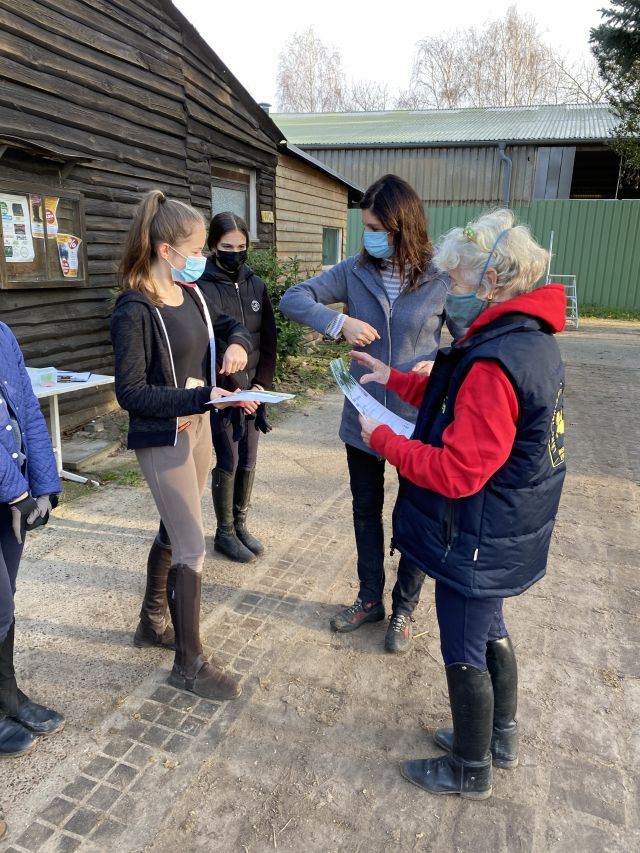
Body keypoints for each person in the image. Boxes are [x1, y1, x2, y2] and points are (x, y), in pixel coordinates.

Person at [355, 208, 566, 800]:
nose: (450, 292)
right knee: (490, 627)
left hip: (475, 532)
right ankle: (499, 737)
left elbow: (457, 471)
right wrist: (393, 376)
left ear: (492, 281)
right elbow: (455, 394)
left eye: (458, 281)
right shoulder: (525, 339)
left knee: (464, 643)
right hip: (503, 525)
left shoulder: (497, 361)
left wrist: (386, 441)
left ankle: (470, 768)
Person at [279, 174, 457, 653]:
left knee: (415, 516)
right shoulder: (354, 271)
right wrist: (338, 321)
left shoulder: (441, 276)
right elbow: (293, 298)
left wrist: (440, 364)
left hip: (416, 419)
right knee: (365, 510)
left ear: (403, 226)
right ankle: (369, 598)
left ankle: (404, 609)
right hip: (363, 416)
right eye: (367, 227)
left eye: (377, 228)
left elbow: (470, 339)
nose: (370, 236)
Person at [111, 190, 252, 701]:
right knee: (192, 544)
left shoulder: (190, 293)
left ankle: (152, 623)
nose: (202, 260)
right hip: (165, 436)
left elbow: (230, 324)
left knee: (174, 530)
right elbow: (130, 393)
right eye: (195, 250)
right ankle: (189, 666)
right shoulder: (134, 309)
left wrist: (238, 345)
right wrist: (200, 397)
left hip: (197, 429)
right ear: (165, 250)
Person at [197, 212, 277, 563]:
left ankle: (241, 524)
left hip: (253, 392)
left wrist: (259, 388)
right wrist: (237, 393)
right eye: (227, 247)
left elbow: (269, 341)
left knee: (249, 458)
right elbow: (208, 345)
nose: (235, 253)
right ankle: (224, 532)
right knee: (228, 457)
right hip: (225, 394)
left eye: (241, 246)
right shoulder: (200, 286)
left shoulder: (256, 284)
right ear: (213, 245)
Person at [0, 321, 63, 759]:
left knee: (7, 600)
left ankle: (7, 695)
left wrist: (44, 484)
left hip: (11, 494)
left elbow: (27, 409)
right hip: (9, 491)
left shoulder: (3, 333)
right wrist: (16, 492)